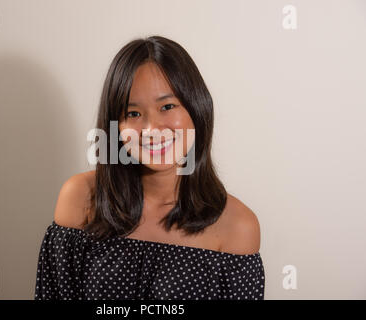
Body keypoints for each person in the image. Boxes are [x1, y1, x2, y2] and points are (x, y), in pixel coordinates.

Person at [34, 35, 265, 300]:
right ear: (115, 126)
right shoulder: (81, 198)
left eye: (167, 106)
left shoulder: (238, 226)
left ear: (197, 110)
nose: (151, 130)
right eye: (133, 114)